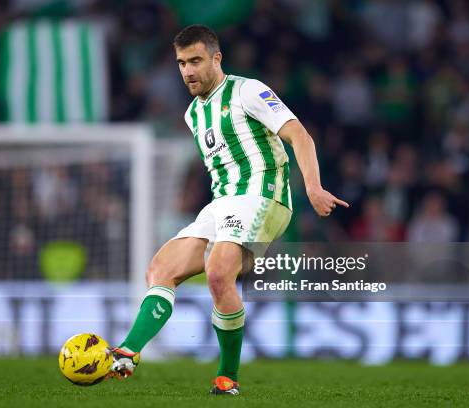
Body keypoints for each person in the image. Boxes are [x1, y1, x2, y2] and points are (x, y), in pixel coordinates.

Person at [108, 24, 348, 395]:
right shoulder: (193, 114)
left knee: (218, 271)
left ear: (216, 59)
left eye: (196, 61)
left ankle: (227, 377)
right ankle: (127, 352)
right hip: (223, 202)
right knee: (161, 268)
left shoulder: (248, 91)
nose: (187, 70)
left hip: (264, 197)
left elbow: (299, 134)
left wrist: (313, 188)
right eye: (181, 62)